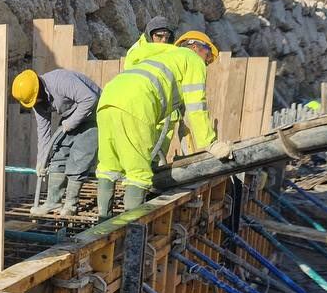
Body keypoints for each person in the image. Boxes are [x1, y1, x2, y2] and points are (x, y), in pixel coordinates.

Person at [95, 30, 232, 220]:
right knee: (139, 172)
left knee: (109, 164)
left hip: (109, 97)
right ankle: (126, 227)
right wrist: (210, 143)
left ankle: (101, 221)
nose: (207, 63)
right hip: (137, 103)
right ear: (195, 46)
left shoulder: (159, 54)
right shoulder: (192, 59)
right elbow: (196, 106)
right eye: (208, 56)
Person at [10, 67, 102, 216]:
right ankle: (53, 202)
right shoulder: (38, 102)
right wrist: (41, 161)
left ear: (38, 90)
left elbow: (90, 99)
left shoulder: (61, 81)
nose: (36, 104)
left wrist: (70, 123)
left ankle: (71, 204)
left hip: (94, 113)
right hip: (72, 115)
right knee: (58, 152)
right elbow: (44, 133)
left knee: (80, 156)